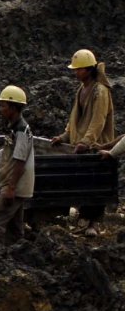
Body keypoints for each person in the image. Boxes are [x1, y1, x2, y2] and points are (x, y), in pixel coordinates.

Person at [51, 49, 115, 235]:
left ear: (88, 69)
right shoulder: (82, 89)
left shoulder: (100, 91)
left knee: (96, 185)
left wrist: (87, 142)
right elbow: (74, 119)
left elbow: (98, 120)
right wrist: (64, 137)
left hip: (97, 146)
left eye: (79, 70)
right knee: (85, 184)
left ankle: (93, 224)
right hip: (84, 146)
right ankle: (85, 222)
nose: (75, 73)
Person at [0, 86, 35, 245]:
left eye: (4, 106)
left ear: (13, 107)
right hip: (14, 185)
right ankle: (18, 256)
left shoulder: (21, 129)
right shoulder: (14, 127)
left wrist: (11, 188)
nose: (1, 109)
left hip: (15, 186)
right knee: (14, 227)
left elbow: (20, 159)